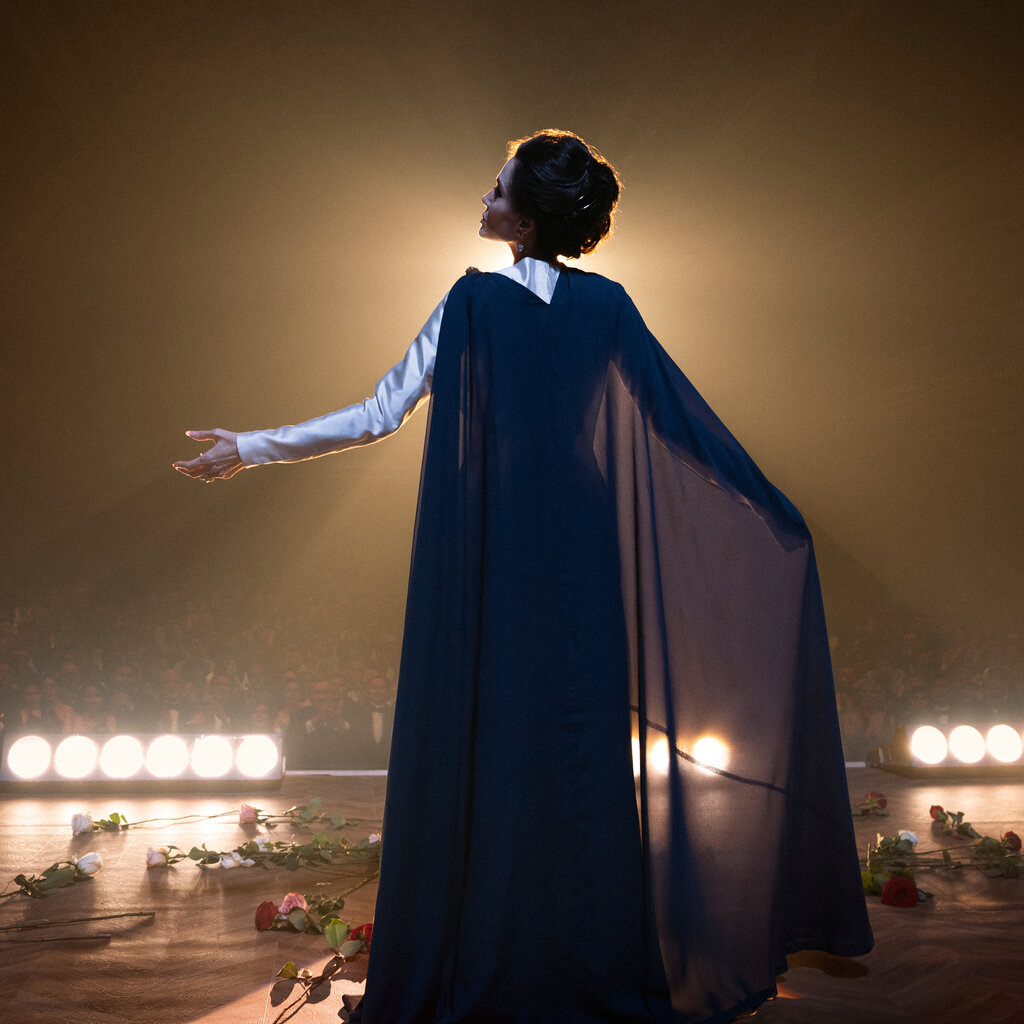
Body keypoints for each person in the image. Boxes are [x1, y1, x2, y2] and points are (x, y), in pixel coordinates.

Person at [175, 130, 872, 1024]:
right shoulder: (609, 306)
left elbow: (376, 415)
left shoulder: (471, 302)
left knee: (493, 745)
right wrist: (773, 508)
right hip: (579, 541)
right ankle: (585, 957)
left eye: (495, 189)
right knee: (576, 752)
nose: (483, 199)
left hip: (496, 540)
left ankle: (498, 953)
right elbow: (685, 427)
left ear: (527, 215)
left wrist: (251, 448)